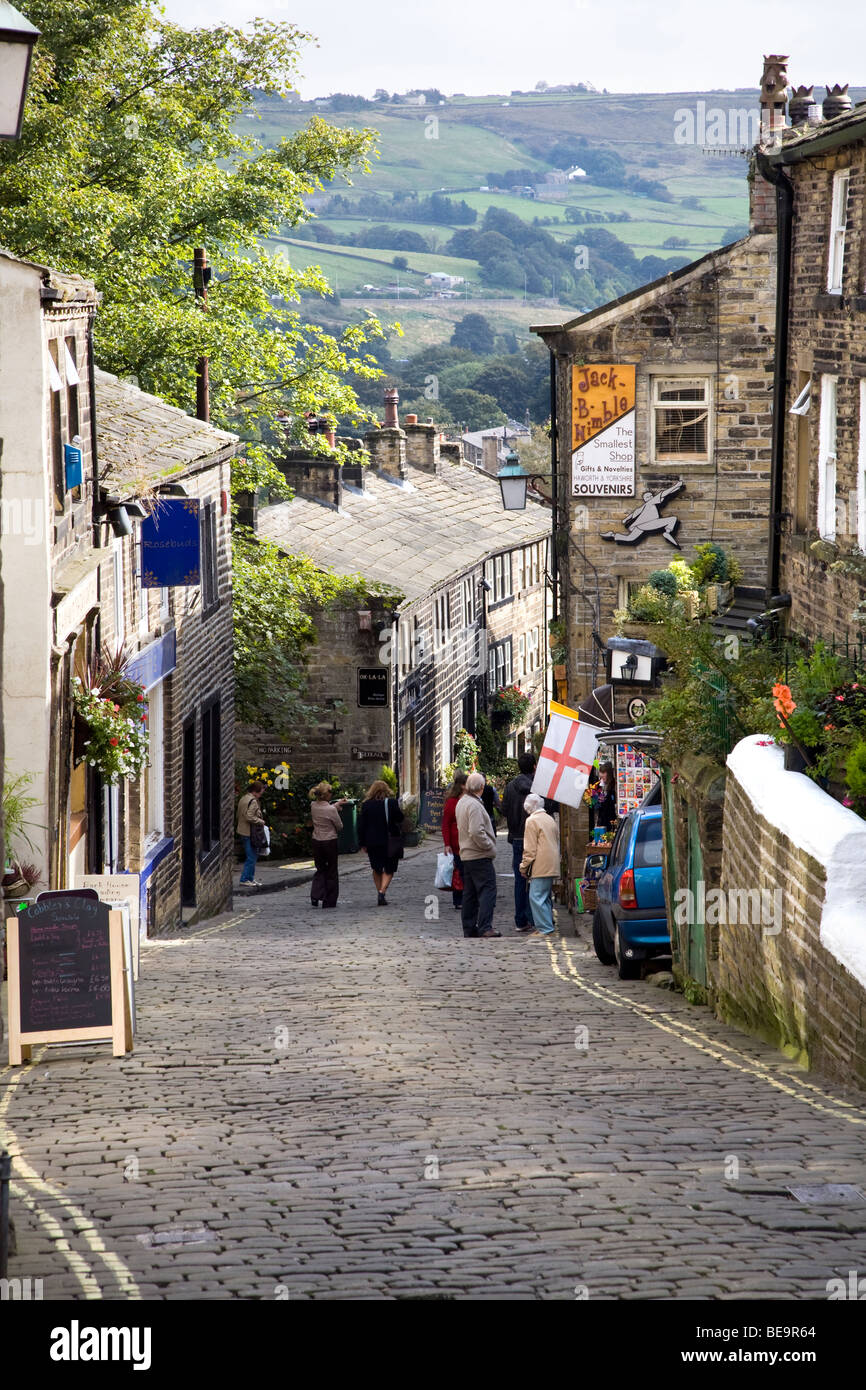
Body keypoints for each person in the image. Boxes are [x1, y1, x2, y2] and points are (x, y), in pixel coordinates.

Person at [455, 771, 501, 939]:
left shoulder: (462, 801)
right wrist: (488, 846)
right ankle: (485, 927)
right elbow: (476, 831)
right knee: (488, 890)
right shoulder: (473, 805)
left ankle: (469, 927)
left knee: (470, 893)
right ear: (481, 787)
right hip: (478, 854)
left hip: (467, 855)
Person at [503, 752, 537, 933]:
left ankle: (520, 920)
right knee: (536, 879)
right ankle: (534, 918)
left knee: (519, 880)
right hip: (533, 838)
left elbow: (504, 810)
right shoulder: (536, 788)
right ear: (534, 767)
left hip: (516, 837)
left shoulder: (510, 787)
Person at [520, 792, 560, 938]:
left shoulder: (532, 821)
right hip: (552, 863)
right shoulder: (549, 819)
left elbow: (529, 849)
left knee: (536, 896)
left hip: (540, 865)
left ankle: (545, 928)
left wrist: (524, 866)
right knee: (545, 897)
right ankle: (545, 925)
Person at [359, 779, 404, 906]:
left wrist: (362, 843)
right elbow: (400, 818)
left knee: (376, 868)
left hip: (372, 842)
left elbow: (361, 825)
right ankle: (382, 892)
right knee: (389, 867)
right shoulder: (391, 803)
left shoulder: (367, 805)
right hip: (389, 841)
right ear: (386, 790)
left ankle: (380, 892)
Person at [309, 781, 347, 908]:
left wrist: (336, 805)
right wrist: (335, 808)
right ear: (327, 795)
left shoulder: (313, 805)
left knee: (320, 869)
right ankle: (329, 900)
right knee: (331, 870)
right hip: (329, 841)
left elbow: (325, 809)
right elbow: (339, 826)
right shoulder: (330, 810)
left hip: (316, 840)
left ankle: (315, 895)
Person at [441, 770, 468, 910]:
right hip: (457, 843)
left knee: (466, 872)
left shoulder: (470, 800)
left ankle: (467, 898)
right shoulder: (452, 802)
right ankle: (458, 900)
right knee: (458, 872)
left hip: (468, 842)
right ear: (462, 786)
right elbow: (445, 823)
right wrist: (447, 844)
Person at [237, 780, 266, 886]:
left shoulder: (244, 798)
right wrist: (261, 821)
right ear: (255, 791)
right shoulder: (253, 801)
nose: (261, 794)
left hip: (242, 830)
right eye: (260, 792)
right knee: (252, 856)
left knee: (252, 855)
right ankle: (245, 879)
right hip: (249, 832)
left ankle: (250, 878)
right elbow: (249, 816)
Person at [595, 761, 618, 832]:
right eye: (601, 773)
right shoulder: (598, 785)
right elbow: (595, 802)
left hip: (610, 817)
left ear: (609, 774)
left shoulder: (614, 784)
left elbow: (613, 801)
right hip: (601, 818)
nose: (602, 776)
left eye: (604, 773)